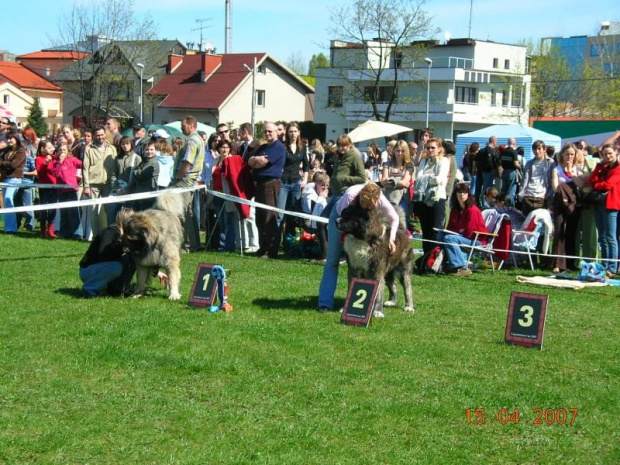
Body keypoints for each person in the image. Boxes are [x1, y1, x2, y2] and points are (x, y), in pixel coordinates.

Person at [318, 183, 398, 315]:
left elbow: (394, 218)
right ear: (360, 195)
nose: (365, 206)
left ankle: (355, 304)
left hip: (356, 229)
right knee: (332, 261)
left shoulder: (381, 199)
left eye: (369, 205)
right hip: (339, 219)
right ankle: (325, 304)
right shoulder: (350, 196)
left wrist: (391, 239)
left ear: (376, 201)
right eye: (362, 202)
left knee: (359, 268)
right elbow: (344, 222)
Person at [317, 134, 367, 312]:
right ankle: (325, 302)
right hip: (336, 200)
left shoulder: (355, 156)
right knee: (332, 259)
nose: (341, 148)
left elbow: (362, 178)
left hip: (348, 203)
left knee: (355, 263)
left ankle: (353, 302)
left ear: (350, 145)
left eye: (344, 145)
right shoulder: (340, 157)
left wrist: (344, 180)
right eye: (339, 145)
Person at [247, 122, 286, 259]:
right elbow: (250, 161)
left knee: (269, 216)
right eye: (266, 131)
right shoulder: (263, 147)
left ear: (277, 132)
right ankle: (262, 247)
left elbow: (262, 164)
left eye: (270, 131)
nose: (268, 133)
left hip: (271, 184)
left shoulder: (278, 147)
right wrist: (256, 159)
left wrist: (255, 162)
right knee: (260, 217)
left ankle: (270, 250)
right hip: (260, 185)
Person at [79, 208, 136, 298]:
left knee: (130, 258)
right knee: (116, 267)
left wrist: (157, 273)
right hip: (87, 270)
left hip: (99, 268)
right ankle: (89, 289)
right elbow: (103, 253)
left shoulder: (123, 236)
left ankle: (118, 289)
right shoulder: (109, 232)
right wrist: (121, 247)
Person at [438, 182, 488, 277]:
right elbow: (450, 228)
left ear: (468, 194)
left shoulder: (472, 210)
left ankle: (462, 267)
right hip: (462, 237)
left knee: (449, 238)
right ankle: (440, 263)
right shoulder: (455, 210)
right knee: (440, 235)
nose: (462, 195)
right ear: (455, 194)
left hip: (476, 240)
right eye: (459, 192)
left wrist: (458, 232)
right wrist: (457, 231)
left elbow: (469, 231)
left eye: (464, 193)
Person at [171, 115, 205, 252]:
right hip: (190, 182)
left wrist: (179, 178)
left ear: (191, 125)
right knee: (189, 214)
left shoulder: (192, 141)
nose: (181, 127)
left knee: (182, 214)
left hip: (185, 182)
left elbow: (187, 162)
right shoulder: (198, 139)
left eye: (183, 125)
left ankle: (187, 245)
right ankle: (194, 243)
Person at [586, 144, 620, 277]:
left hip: (612, 206)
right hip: (599, 205)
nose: (608, 156)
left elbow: (609, 184)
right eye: (605, 154)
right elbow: (591, 179)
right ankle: (605, 265)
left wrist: (597, 185)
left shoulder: (618, 168)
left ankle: (612, 267)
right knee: (602, 237)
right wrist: (599, 167)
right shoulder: (603, 167)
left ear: (616, 153)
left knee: (611, 237)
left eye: (610, 153)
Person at [413, 137, 450, 254]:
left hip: (437, 198)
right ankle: (425, 258)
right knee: (426, 230)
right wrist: (432, 176)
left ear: (439, 149)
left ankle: (433, 258)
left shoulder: (444, 161)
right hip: (423, 199)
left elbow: (440, 179)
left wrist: (427, 177)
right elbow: (418, 178)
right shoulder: (424, 161)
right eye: (428, 148)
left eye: (433, 148)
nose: (430, 150)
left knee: (435, 230)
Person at [550, 143, 581, 273]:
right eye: (567, 154)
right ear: (562, 154)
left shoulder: (578, 169)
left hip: (574, 204)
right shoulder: (556, 169)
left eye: (572, 154)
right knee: (559, 232)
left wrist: (572, 173)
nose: (569, 157)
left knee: (571, 233)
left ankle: (570, 263)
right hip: (560, 204)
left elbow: (580, 184)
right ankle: (557, 263)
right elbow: (555, 187)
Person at [82, 126, 118, 235]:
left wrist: (115, 184)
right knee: (94, 211)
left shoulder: (112, 148)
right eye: (97, 135)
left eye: (102, 134)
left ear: (105, 134)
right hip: (93, 184)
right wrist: (86, 186)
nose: (100, 137)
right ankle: (97, 236)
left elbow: (116, 167)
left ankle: (110, 234)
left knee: (110, 210)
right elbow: (85, 168)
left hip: (108, 184)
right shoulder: (89, 149)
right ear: (94, 136)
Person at [277, 122, 309, 237]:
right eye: (290, 131)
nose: (293, 134)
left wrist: (305, 180)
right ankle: (275, 245)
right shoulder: (282, 146)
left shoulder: (303, 147)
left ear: (299, 133)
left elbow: (306, 165)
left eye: (295, 131)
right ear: (287, 133)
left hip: (296, 183)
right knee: (280, 214)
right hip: (283, 183)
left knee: (293, 214)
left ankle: (289, 244)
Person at [53, 142, 83, 240]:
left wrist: (81, 176)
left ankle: (77, 234)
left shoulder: (72, 160)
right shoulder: (56, 163)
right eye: (60, 150)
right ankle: (64, 233)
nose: (62, 152)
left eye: (64, 150)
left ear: (68, 151)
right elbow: (56, 174)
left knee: (74, 212)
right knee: (64, 212)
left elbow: (83, 164)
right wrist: (60, 162)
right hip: (61, 191)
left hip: (72, 190)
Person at [0, 130, 27, 234]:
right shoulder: (7, 151)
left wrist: (2, 163)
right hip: (5, 178)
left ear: (16, 139)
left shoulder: (21, 151)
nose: (9, 140)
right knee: (7, 204)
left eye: (11, 138)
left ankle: (11, 228)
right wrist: (5, 163)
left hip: (15, 178)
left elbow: (14, 165)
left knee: (8, 199)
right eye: (7, 138)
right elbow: (8, 163)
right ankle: (9, 227)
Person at [518, 140, 554, 216]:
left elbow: (552, 180)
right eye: (535, 149)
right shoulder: (529, 163)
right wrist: (522, 193)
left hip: (542, 197)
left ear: (544, 150)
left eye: (539, 149)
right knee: (527, 223)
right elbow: (524, 179)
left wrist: (549, 194)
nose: (537, 151)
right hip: (528, 195)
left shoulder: (550, 163)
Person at [127, 140, 159, 211]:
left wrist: (134, 171)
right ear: (144, 150)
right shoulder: (144, 161)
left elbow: (141, 175)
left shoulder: (154, 163)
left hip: (148, 195)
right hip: (139, 193)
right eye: (147, 150)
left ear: (156, 150)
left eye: (151, 149)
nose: (149, 151)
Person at [380, 139, 414, 207]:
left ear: (406, 152)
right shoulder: (387, 164)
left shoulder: (409, 165)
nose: (400, 153)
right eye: (398, 151)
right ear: (394, 151)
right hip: (388, 196)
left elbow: (404, 182)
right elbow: (383, 182)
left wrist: (390, 181)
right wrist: (400, 182)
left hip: (403, 197)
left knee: (401, 216)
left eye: (402, 151)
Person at [475, 136, 498, 206]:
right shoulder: (490, 150)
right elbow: (489, 161)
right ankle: (485, 204)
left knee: (478, 189)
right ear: (494, 141)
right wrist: (493, 169)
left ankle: (478, 202)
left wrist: (475, 169)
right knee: (487, 189)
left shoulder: (481, 150)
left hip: (480, 172)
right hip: (488, 172)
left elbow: (475, 160)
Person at [499, 138, 520, 203]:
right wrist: (519, 166)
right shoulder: (514, 152)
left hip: (504, 171)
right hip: (511, 172)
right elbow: (516, 164)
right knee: (511, 190)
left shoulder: (503, 151)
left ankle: (502, 204)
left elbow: (499, 162)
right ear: (514, 143)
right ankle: (510, 206)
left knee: (504, 190)